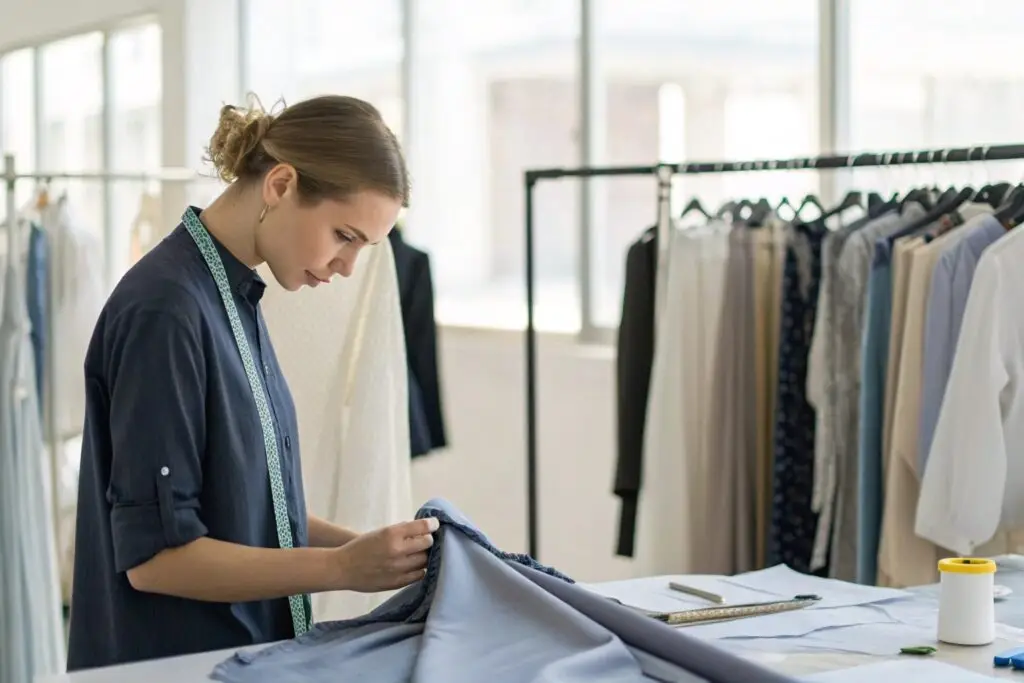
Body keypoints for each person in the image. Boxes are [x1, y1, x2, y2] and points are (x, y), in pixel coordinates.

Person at [66, 94, 438, 671]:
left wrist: (379, 549)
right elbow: (158, 559)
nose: (346, 268)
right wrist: (343, 569)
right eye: (344, 236)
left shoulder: (231, 296)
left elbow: (247, 507)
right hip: (178, 663)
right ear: (281, 185)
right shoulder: (166, 311)